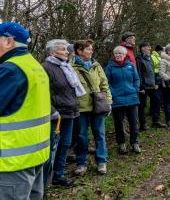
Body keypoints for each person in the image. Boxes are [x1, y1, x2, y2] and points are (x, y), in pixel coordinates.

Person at [0, 22, 50, 200]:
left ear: (8, 41)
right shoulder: (33, 66)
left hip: (10, 164)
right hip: (35, 157)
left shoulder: (10, 70)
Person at [42, 39, 86, 188]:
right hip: (57, 115)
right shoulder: (46, 68)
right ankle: (45, 179)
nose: (67, 51)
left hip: (71, 111)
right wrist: (53, 111)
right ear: (52, 52)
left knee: (65, 144)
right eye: (63, 49)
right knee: (53, 146)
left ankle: (59, 175)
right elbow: (43, 94)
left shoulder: (66, 67)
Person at [72, 39, 112, 176]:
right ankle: (81, 163)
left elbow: (104, 84)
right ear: (79, 51)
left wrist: (109, 101)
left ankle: (102, 162)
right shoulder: (71, 67)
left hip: (98, 106)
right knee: (82, 136)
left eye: (91, 49)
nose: (91, 51)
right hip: (81, 108)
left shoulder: (96, 65)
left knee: (99, 135)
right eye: (88, 49)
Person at [105, 46, 141, 154]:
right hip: (117, 99)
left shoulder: (130, 65)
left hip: (132, 98)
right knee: (119, 123)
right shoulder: (110, 67)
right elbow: (106, 82)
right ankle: (121, 144)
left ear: (125, 55)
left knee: (134, 122)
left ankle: (135, 143)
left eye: (120, 53)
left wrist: (135, 89)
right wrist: (114, 93)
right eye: (116, 53)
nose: (118, 55)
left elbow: (136, 79)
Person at [136, 42, 166, 130]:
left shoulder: (150, 58)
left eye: (149, 47)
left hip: (153, 85)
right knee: (142, 106)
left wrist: (156, 82)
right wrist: (141, 86)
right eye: (147, 47)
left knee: (157, 102)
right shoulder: (139, 59)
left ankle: (156, 121)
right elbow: (139, 73)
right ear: (142, 48)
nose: (150, 48)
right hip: (144, 87)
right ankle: (142, 124)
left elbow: (153, 72)